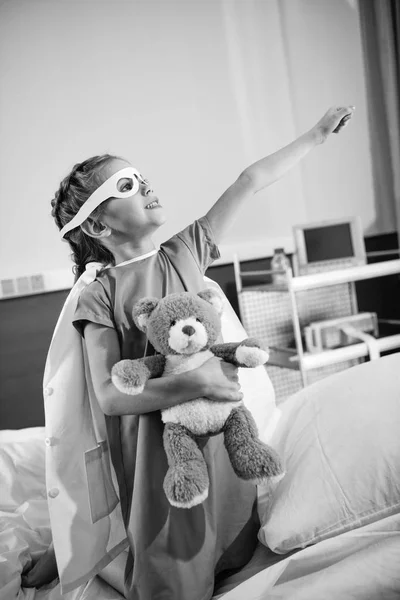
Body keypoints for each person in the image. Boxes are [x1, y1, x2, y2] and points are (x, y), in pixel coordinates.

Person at [22, 106, 354, 599]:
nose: (146, 185)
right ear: (98, 228)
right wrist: (195, 382)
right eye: (127, 186)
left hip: (216, 429)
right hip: (155, 450)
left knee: (228, 529)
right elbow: (111, 397)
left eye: (142, 177)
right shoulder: (101, 294)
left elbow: (249, 180)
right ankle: (74, 553)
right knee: (172, 561)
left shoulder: (185, 251)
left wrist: (315, 136)